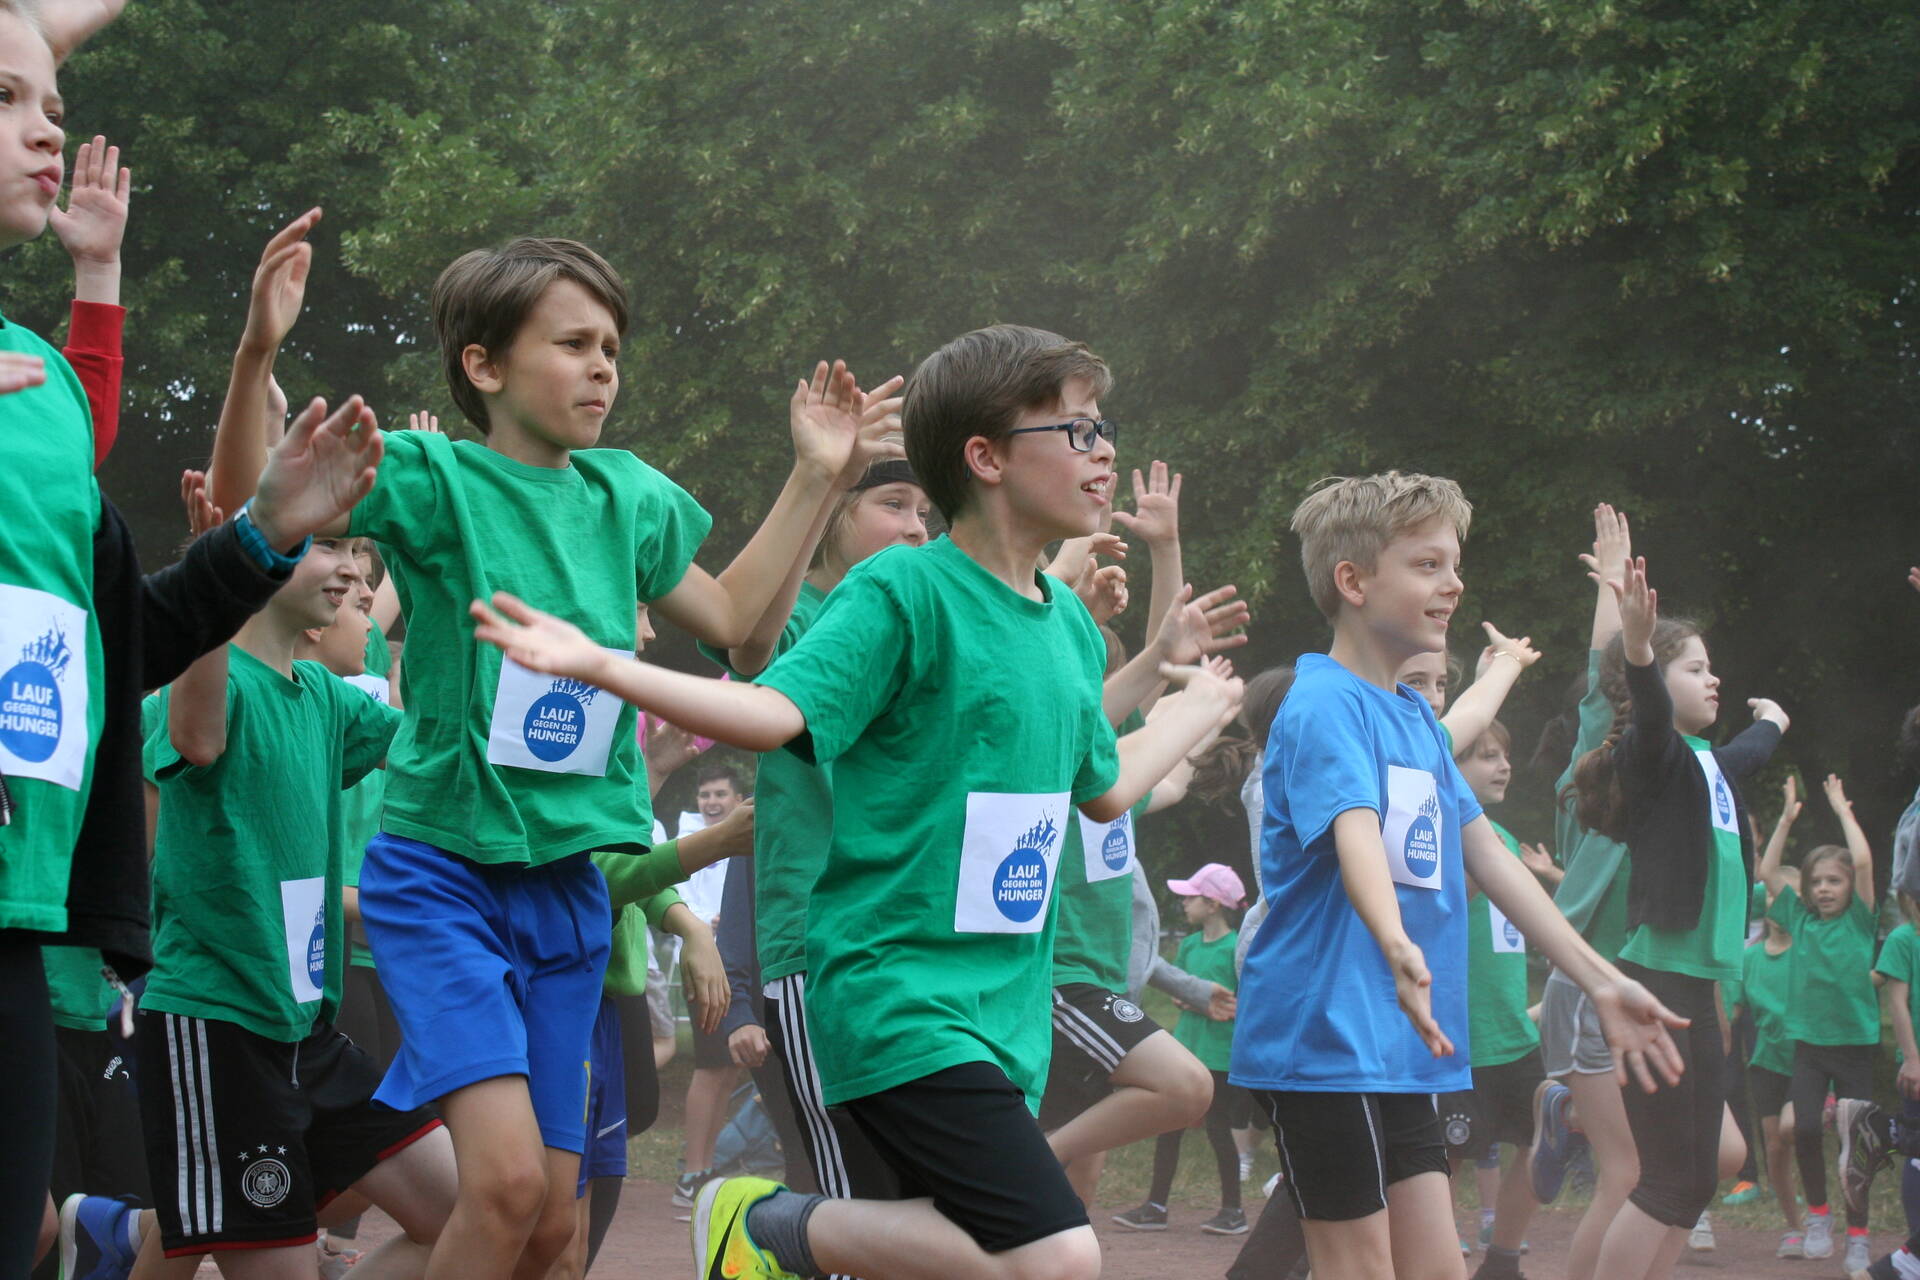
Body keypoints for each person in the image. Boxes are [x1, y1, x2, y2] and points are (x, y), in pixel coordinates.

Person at [471, 322, 1246, 1280]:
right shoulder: (904, 589)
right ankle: (762, 1226)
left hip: (1006, 1007)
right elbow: (769, 711)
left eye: (1104, 427)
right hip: (897, 998)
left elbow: (1108, 788)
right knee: (1058, 1257)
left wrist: (1198, 706)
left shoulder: (1069, 631)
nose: (1106, 451)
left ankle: (777, 1227)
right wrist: (604, 668)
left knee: (968, 1256)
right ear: (986, 457)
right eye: (1078, 430)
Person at [209, 216, 901, 1275]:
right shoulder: (438, 478)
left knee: (551, 1231)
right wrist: (258, 352)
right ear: (481, 365)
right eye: (572, 344)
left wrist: (815, 475)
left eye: (612, 348)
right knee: (504, 1185)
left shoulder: (628, 494)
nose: (601, 368)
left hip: (570, 890)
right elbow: (258, 508)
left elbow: (742, 628)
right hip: (443, 878)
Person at [0, 4, 381, 1259]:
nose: (44, 133)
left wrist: (268, 526)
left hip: (30, 907)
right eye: (7, 101)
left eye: (50, 104)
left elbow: (119, 642)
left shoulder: (36, 389)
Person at [1228, 472, 1685, 1280]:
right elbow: (1354, 830)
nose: (1455, 583)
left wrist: (1599, 979)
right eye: (1429, 564)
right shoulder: (1323, 702)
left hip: (1403, 1045)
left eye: (1455, 563)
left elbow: (1489, 859)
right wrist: (1395, 938)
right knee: (1358, 1269)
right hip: (1323, 1037)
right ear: (1354, 581)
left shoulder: (1415, 721)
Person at [1566, 553, 1785, 1278]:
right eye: (1695, 668)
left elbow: (1747, 755)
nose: (1713, 678)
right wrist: (1636, 650)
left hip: (1695, 990)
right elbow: (1652, 712)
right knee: (1661, 1182)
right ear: (1658, 683)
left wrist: (1775, 722)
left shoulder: (1708, 767)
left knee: (1694, 1182)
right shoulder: (1652, 754)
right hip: (1654, 985)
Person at [1755, 771, 1880, 1269]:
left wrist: (1843, 811)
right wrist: (1785, 820)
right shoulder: (1801, 920)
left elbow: (1866, 859)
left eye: (1835, 880)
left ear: (1851, 887)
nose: (1825, 889)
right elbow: (1767, 870)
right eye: (1817, 882)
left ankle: (1859, 1234)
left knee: (1859, 1144)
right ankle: (1819, 1215)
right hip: (1809, 1045)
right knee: (1805, 1129)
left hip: (1855, 1045)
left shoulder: (1860, 920)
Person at [1437, 721, 1543, 1280]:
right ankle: (1435, 1257)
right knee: (1445, 1157)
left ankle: (1501, 1259)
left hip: (1513, 1031)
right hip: (1461, 1037)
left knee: (1546, 1134)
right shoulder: (1444, 834)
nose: (1503, 766)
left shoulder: (1501, 838)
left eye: (1505, 755)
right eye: (1486, 756)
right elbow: (1443, 913)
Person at [1113, 863, 1249, 1235]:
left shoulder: (1235, 947)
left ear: (1213, 904)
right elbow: (1183, 993)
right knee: (1168, 1128)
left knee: (1218, 1130)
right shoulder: (1188, 945)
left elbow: (1242, 1000)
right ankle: (1155, 1206)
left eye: (1191, 898)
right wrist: (1190, 999)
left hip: (1219, 1055)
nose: (1184, 904)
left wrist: (1210, 1001)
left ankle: (1233, 1211)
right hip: (1187, 1048)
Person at [675, 761, 752, 1206]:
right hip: (705, 965)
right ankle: (692, 1173)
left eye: (720, 795)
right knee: (709, 1068)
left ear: (738, 800)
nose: (712, 803)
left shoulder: (745, 840)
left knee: (727, 1069)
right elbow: (678, 898)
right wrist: (707, 922)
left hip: (736, 966)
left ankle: (703, 1167)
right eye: (706, 795)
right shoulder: (691, 838)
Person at [1728, 848, 1803, 1256]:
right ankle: (1793, 1225)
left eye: (1789, 897)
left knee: (1796, 1130)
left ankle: (1823, 1210)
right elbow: (1734, 1013)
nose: (1779, 904)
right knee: (1776, 1144)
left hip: (1809, 1061)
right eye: (1773, 897)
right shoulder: (1749, 958)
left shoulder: (1809, 948)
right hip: (1766, 1062)